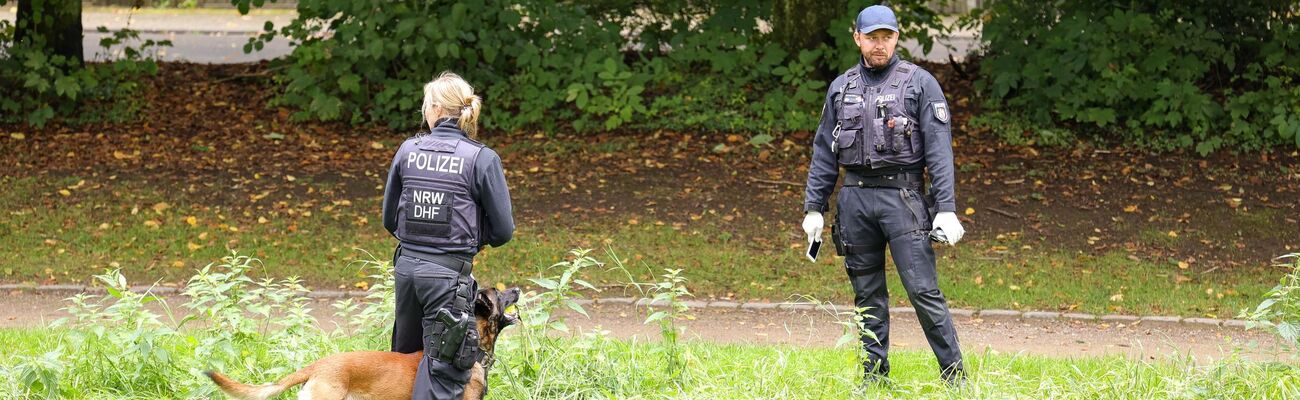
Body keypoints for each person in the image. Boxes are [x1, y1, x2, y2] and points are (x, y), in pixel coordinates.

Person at [801, 5, 967, 385]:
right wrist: (814, 207)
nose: (880, 45)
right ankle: (874, 378)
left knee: (923, 291)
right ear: (857, 37)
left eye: (887, 37)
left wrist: (946, 208)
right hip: (854, 199)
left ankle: (955, 376)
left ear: (896, 37)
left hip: (903, 199)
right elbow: (824, 150)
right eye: (872, 37)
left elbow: (939, 149)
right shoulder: (841, 87)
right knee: (867, 294)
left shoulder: (920, 83)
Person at [382, 71, 514, 399]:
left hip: (407, 272)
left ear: (436, 109)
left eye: (424, 107)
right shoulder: (481, 158)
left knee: (406, 367)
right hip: (448, 278)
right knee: (442, 376)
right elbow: (503, 231)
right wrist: (470, 238)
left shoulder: (407, 150)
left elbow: (389, 219)